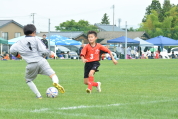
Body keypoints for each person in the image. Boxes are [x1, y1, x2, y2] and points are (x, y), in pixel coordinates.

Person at [10, 24, 65, 99]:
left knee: (28, 80)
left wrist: (17, 55)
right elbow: (43, 50)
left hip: (31, 64)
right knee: (52, 75)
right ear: (33, 32)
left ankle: (39, 95)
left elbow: (12, 50)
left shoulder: (19, 42)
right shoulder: (36, 39)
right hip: (41, 61)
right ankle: (55, 82)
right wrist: (51, 54)